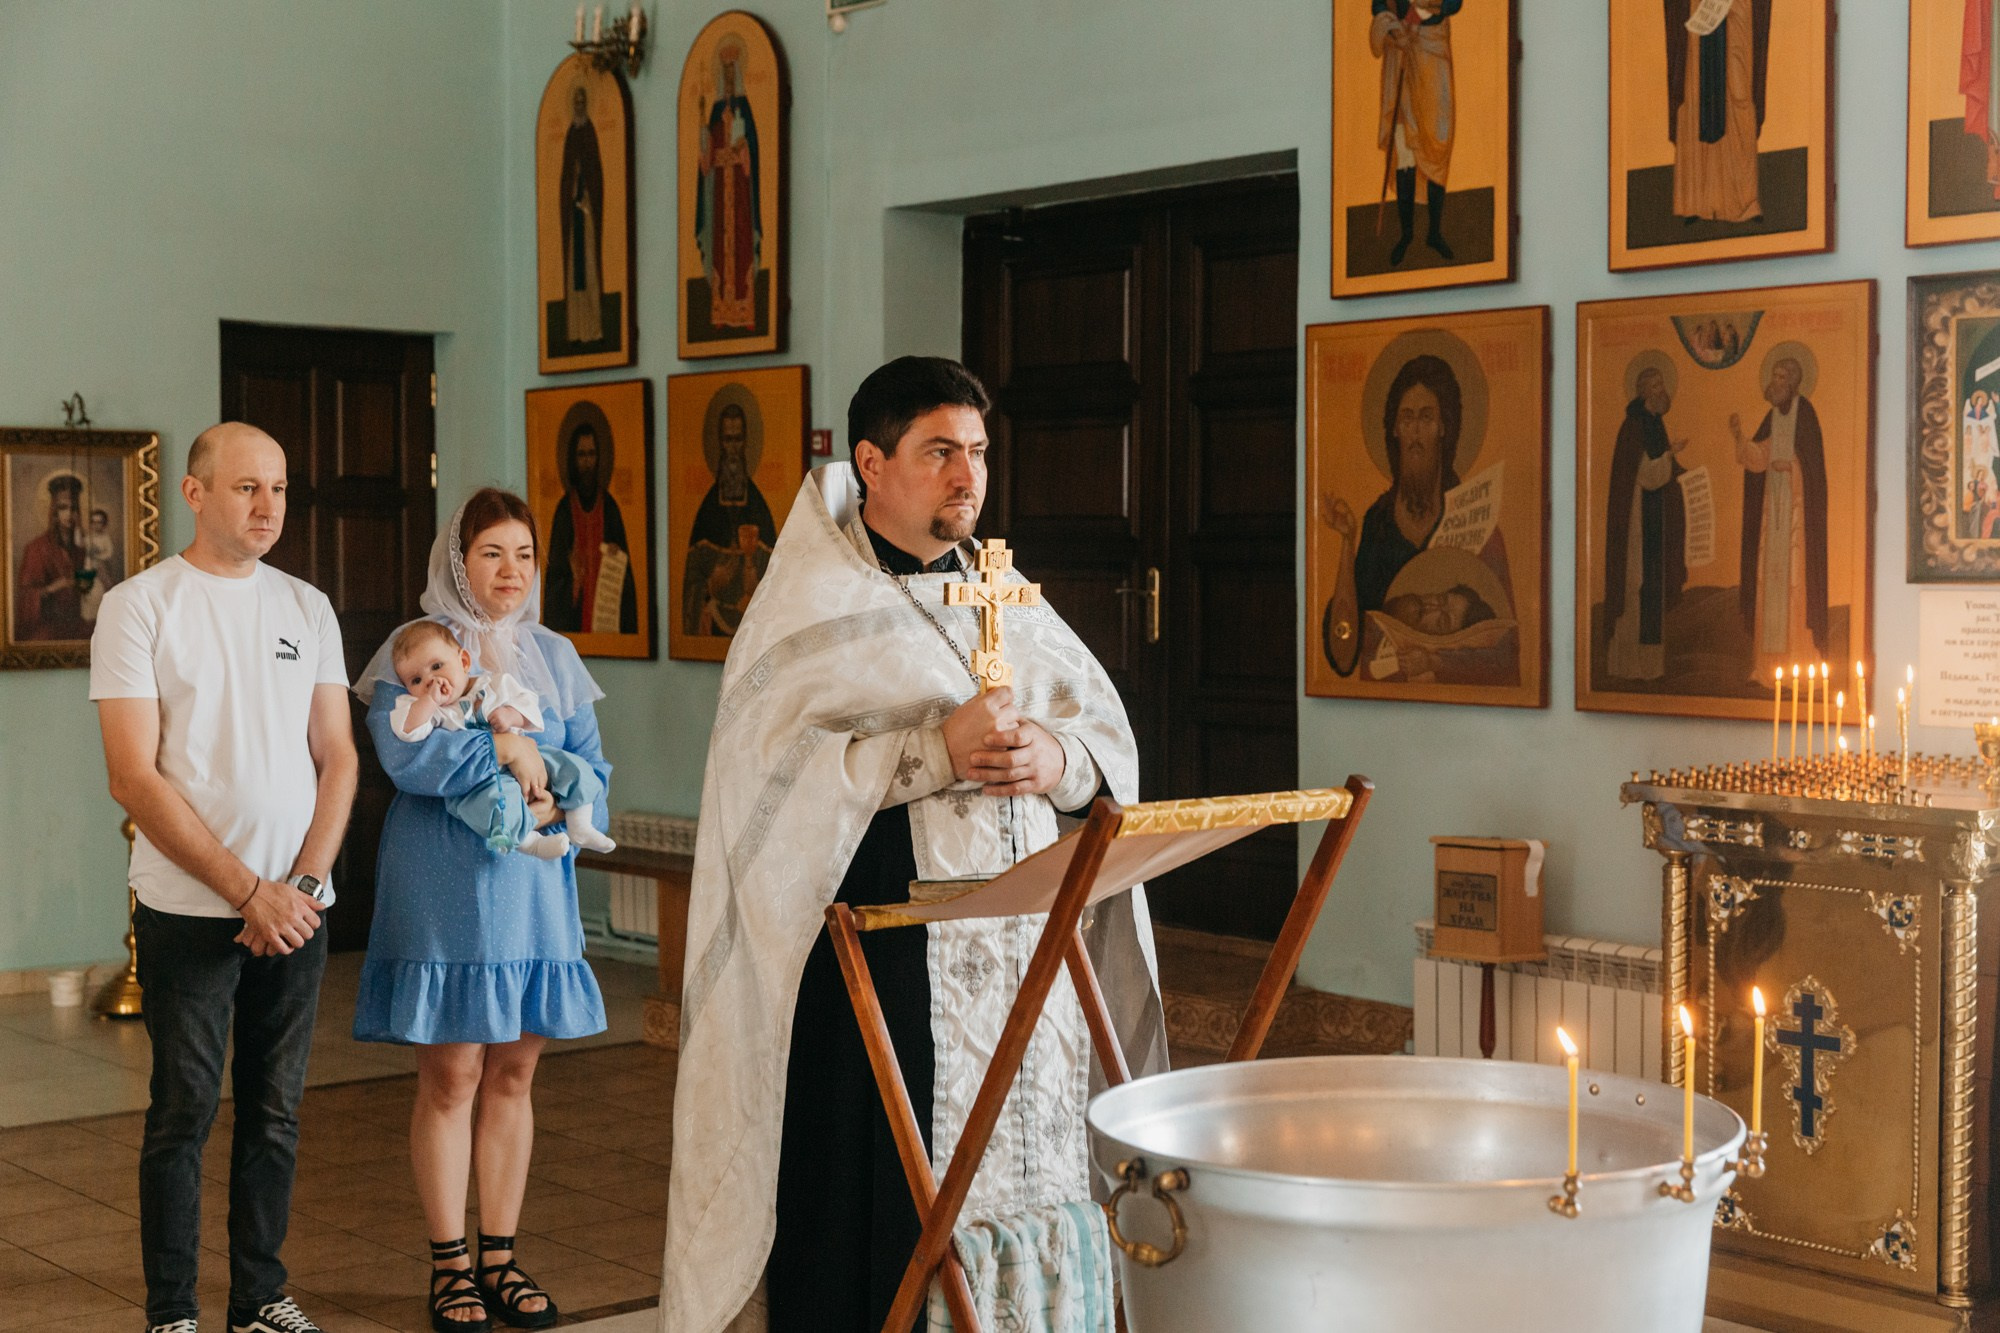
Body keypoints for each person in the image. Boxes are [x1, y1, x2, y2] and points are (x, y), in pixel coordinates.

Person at [661, 357, 1167, 1333]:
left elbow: (1104, 739)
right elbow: (767, 793)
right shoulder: (808, 607)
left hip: (1029, 967)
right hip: (879, 970)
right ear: (871, 463)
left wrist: (1056, 759)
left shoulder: (1001, 589)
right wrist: (934, 751)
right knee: (877, 1209)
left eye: (976, 451)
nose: (967, 475)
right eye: (939, 452)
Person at [90, 422, 358, 1333]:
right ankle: (173, 1311)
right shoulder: (140, 606)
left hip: (297, 914)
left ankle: (259, 1296)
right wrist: (250, 892)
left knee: (276, 1113)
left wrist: (303, 888)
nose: (268, 506)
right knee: (184, 1111)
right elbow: (133, 775)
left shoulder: (307, 606)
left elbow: (338, 756)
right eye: (247, 487)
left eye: (279, 488)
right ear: (196, 493)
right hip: (190, 910)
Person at [353, 487, 611, 1331]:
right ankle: (449, 1265)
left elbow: (593, 765)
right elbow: (406, 756)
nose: (511, 571)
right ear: (458, 562)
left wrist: (555, 789)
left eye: (524, 554)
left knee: (514, 1071)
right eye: (492, 553)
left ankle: (500, 1255)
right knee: (453, 1072)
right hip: (446, 882)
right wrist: (505, 747)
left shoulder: (555, 654)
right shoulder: (418, 646)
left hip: (531, 885)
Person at [387, 619, 617, 860]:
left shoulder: (494, 683)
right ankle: (530, 843)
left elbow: (528, 706)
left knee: (572, 767)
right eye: (416, 680)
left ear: (464, 662)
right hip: (481, 780)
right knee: (493, 804)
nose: (431, 681)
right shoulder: (429, 709)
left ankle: (580, 825)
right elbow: (409, 731)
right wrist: (429, 701)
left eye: (437, 666)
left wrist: (511, 715)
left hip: (534, 760)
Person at [1733, 356, 1830, 682]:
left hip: (1796, 516)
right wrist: (1740, 439)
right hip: (1771, 513)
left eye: (1781, 378)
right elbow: (1759, 457)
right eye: (1773, 376)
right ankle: (1766, 667)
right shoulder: (1772, 416)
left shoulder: (1806, 414)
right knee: (1768, 582)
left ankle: (1798, 665)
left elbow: (1814, 468)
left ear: (1793, 383)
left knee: (1794, 583)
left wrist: (1792, 467)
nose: (1774, 383)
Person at [1604, 366, 1689, 682]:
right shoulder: (1634, 426)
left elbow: (1662, 472)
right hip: (1637, 523)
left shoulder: (1655, 423)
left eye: (1662, 384)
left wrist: (1678, 468)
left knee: (1651, 590)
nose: (1661, 390)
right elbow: (1647, 475)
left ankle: (1651, 668)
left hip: (1654, 521)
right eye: (1654, 386)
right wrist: (1669, 456)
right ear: (1642, 392)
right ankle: (1627, 666)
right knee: (1635, 588)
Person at [1665, 0, 1773, 225]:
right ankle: (1696, 203)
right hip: (1699, 17)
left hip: (1737, 16)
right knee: (1696, 100)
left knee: (1739, 96)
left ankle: (1744, 202)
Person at [1370, 0, 1459, 266]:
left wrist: (1417, 15)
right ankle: (1406, 233)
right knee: (1405, 150)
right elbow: (1379, 5)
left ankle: (1434, 233)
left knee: (1438, 140)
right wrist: (1393, 30)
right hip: (1401, 56)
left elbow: (1453, 3)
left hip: (1433, 58)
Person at [680, 397, 778, 638]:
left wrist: (755, 576)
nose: (733, 448)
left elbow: (778, 578)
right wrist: (711, 584)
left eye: (738, 439)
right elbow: (691, 583)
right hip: (713, 621)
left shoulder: (758, 505)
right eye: (727, 440)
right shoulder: (707, 509)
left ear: (745, 442)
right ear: (720, 443)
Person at [543, 411, 636, 634]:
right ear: (573, 459)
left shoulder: (610, 508)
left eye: (591, 454)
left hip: (606, 615)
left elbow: (627, 581)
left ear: (599, 458)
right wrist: (572, 578)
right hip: (574, 618)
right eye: (581, 455)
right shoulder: (564, 511)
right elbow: (554, 578)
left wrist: (617, 559)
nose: (587, 462)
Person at [695, 37, 762, 330]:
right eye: (725, 72)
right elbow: (706, 162)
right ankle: (721, 310)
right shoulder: (713, 111)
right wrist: (705, 145)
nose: (730, 77)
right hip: (720, 191)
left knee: (742, 244)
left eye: (733, 71)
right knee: (720, 248)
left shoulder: (745, 108)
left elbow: (754, 152)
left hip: (740, 189)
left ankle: (745, 310)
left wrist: (744, 149)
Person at [16, 472, 90, 640]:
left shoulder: (82, 549)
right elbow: (25, 596)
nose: (69, 514)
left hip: (77, 625)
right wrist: (52, 588)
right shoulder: (36, 548)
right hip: (47, 627)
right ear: (54, 512)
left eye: (73, 508)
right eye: (63, 508)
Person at [560, 82, 605, 347]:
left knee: (588, 270)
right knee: (574, 275)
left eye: (581, 102)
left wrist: (584, 189)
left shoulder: (590, 133)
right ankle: (576, 328)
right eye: (575, 102)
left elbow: (595, 172)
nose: (578, 106)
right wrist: (570, 189)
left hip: (586, 215)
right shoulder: (570, 135)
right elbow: (565, 176)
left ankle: (593, 328)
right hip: (573, 219)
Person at [82, 504, 120, 621]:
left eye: (99, 522)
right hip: (88, 569)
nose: (96, 525)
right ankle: (87, 619)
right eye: (93, 522)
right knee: (87, 594)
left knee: (98, 592)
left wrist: (98, 554)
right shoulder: (88, 538)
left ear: (104, 524)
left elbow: (109, 553)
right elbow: (82, 551)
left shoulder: (105, 538)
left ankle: (99, 618)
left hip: (101, 569)